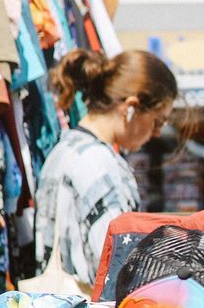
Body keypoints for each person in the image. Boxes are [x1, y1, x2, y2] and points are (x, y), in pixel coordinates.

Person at [35, 49, 178, 285]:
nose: (157, 132)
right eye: (158, 120)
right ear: (131, 107)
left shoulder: (64, 149)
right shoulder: (99, 163)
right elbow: (117, 265)